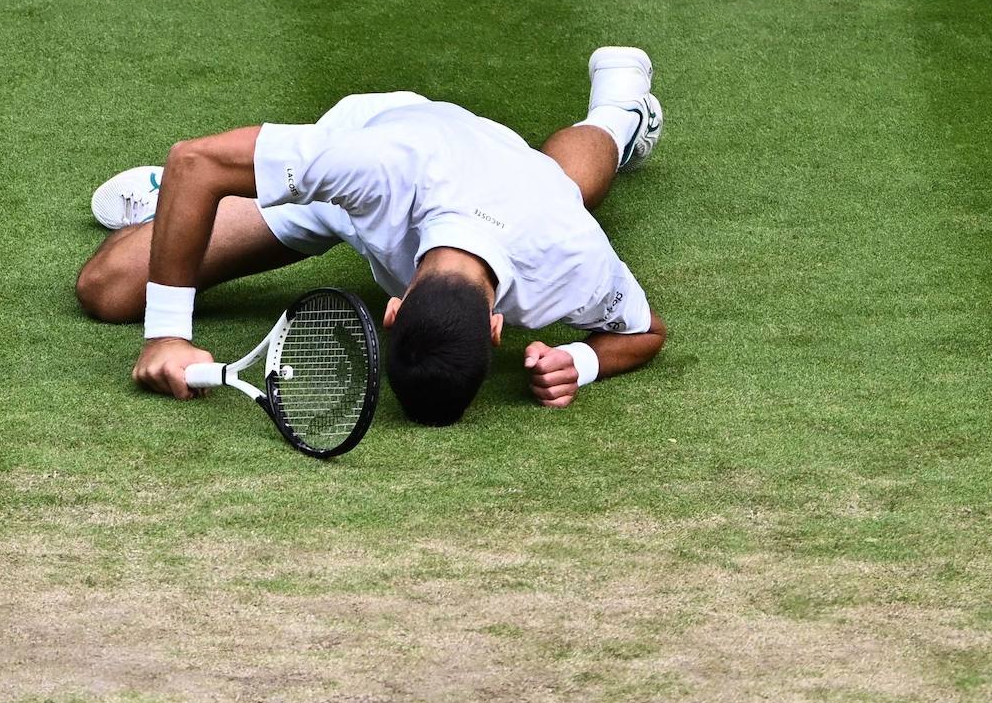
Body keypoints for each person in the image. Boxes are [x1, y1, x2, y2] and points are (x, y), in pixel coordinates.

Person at [75, 47, 667, 425]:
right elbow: (195, 157)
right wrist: (166, 336)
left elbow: (646, 333)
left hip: (521, 186)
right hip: (371, 170)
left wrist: (582, 359)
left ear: (392, 308)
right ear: (497, 328)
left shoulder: (570, 257)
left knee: (562, 188)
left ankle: (618, 113)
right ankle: (191, 194)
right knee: (110, 286)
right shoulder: (376, 167)